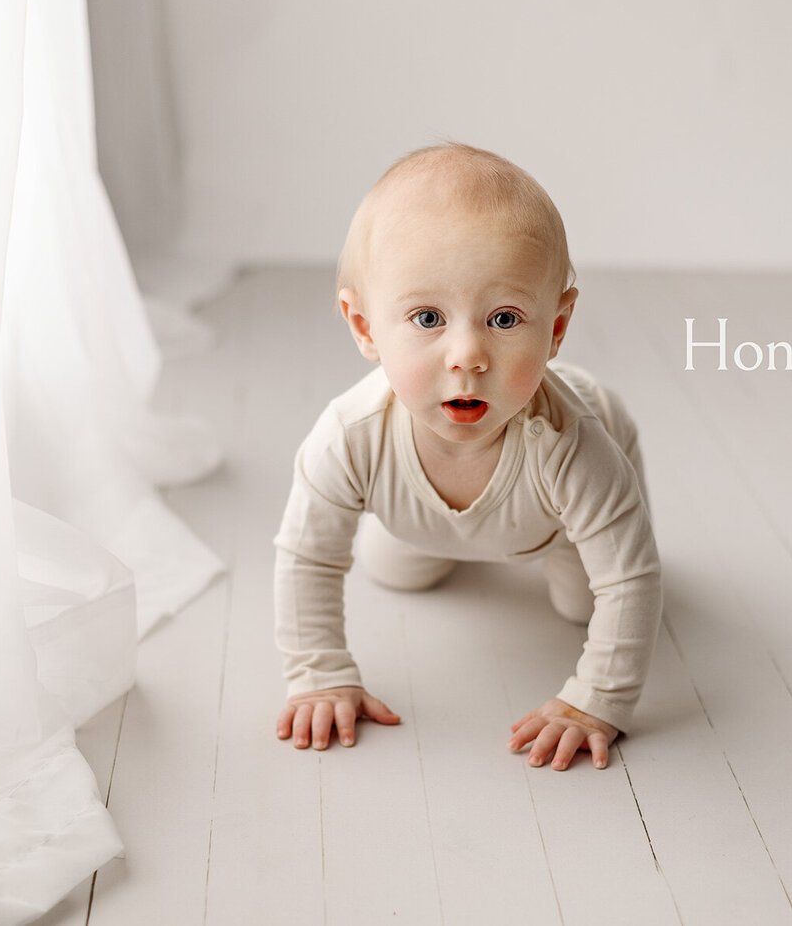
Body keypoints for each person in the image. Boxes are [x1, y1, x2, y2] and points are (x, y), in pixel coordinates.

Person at [271, 143, 662, 772]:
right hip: (420, 520)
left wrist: (598, 700)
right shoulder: (350, 436)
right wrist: (319, 675)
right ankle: (442, 541)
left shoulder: (573, 445)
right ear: (366, 327)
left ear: (556, 328)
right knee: (396, 570)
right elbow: (308, 556)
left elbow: (631, 579)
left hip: (549, 528)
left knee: (584, 606)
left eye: (505, 319)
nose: (467, 355)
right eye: (427, 316)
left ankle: (542, 556)